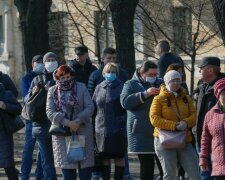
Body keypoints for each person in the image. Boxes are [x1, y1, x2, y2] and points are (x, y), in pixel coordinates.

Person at [88, 47, 131, 180]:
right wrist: (92, 127)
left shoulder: (123, 86)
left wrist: (124, 127)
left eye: (113, 71)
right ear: (104, 73)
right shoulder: (99, 87)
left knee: (119, 157)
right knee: (104, 159)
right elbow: (93, 107)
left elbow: (127, 108)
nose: (110, 73)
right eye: (108, 71)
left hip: (119, 129)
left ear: (117, 73)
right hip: (101, 129)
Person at [150, 70, 201, 180]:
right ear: (167, 82)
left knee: (196, 172)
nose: (177, 83)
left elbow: (194, 115)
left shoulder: (186, 98)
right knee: (170, 174)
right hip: (164, 140)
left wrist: (185, 123)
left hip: (184, 140)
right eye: (173, 80)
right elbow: (154, 119)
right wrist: (174, 125)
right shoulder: (158, 99)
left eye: (178, 80)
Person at [46, 64, 94, 180]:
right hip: (63, 134)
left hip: (82, 131)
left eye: (68, 77)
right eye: (62, 78)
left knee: (85, 171)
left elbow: (90, 107)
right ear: (58, 78)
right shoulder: (52, 91)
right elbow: (50, 112)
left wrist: (77, 121)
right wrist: (68, 123)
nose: (66, 80)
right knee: (67, 173)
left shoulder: (81, 87)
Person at [120, 61, 164, 180]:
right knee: (146, 166)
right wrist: (145, 94)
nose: (154, 77)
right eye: (151, 74)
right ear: (141, 72)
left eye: (155, 74)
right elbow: (125, 102)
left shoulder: (160, 83)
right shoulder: (130, 84)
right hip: (141, 132)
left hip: (160, 131)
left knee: (165, 167)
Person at [25, 52, 59, 180]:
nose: (50, 62)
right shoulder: (37, 79)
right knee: (46, 160)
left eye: (53, 59)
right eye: (48, 60)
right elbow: (27, 101)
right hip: (41, 125)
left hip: (59, 123)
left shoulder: (62, 77)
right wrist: (34, 92)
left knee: (60, 159)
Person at [193, 57, 225, 180]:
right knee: (205, 173)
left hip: (218, 139)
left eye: (201, 68)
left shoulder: (223, 86)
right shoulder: (202, 86)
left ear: (210, 70)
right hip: (202, 137)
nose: (199, 71)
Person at [21, 55, 44, 180]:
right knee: (29, 148)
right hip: (31, 117)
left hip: (44, 118)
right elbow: (26, 97)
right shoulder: (27, 78)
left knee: (42, 149)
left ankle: (39, 175)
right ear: (32, 64)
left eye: (42, 62)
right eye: (37, 62)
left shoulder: (46, 76)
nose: (40, 64)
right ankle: (24, 175)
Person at [199, 78, 225, 180]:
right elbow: (205, 140)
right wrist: (203, 160)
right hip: (219, 168)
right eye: (223, 93)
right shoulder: (210, 115)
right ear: (218, 95)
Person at [0, 83, 22, 180]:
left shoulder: (6, 94)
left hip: (4, 134)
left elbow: (19, 109)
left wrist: (5, 106)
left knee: (8, 165)